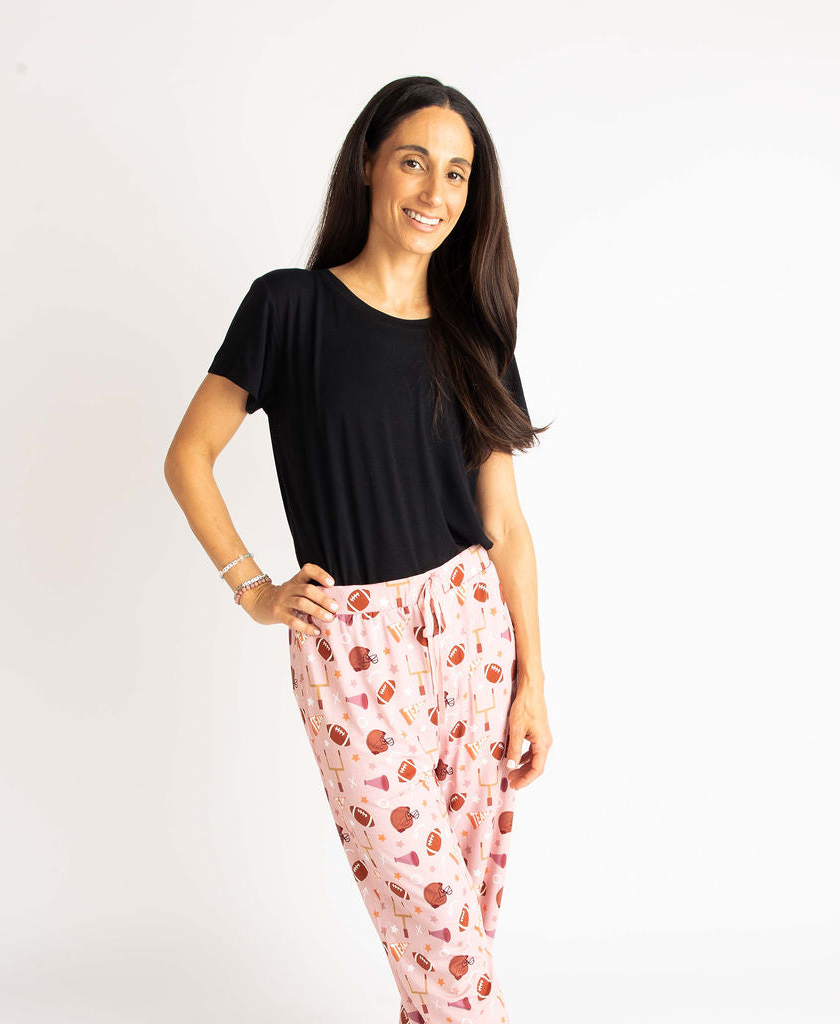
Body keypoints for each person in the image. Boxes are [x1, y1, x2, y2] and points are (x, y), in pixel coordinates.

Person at [165, 75, 552, 1024]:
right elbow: (188, 456)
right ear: (371, 163)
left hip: (472, 630)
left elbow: (504, 521)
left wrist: (533, 680)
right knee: (436, 925)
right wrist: (251, 587)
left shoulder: (474, 335)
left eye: (458, 173)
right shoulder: (288, 308)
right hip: (354, 648)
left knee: (461, 925)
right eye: (415, 160)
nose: (434, 190)